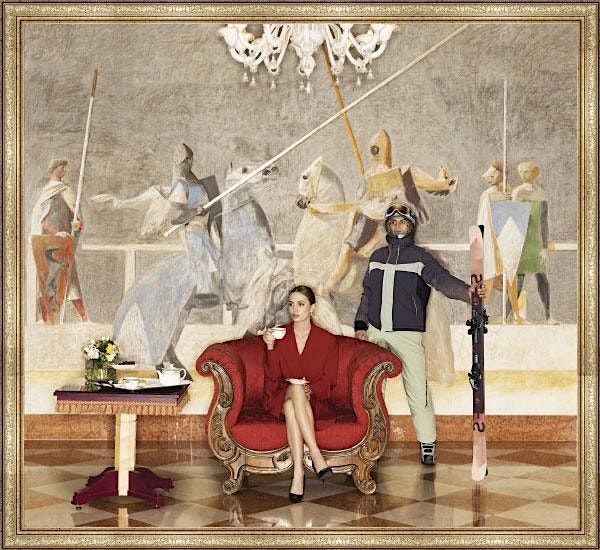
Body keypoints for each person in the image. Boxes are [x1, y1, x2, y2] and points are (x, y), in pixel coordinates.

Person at [354, 202, 486, 465]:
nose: (397, 227)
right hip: (376, 332)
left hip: (407, 335)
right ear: (387, 226)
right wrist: (360, 325)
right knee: (367, 389)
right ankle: (367, 442)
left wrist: (468, 293)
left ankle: (427, 443)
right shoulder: (377, 257)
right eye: (393, 223)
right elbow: (367, 294)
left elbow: (442, 280)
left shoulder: (420, 258)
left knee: (417, 390)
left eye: (402, 223)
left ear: (411, 226)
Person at [262, 285, 337, 502]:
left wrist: (310, 389)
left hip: (314, 400)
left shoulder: (327, 340)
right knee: (293, 391)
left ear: (312, 308)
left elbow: (330, 379)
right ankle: (316, 455)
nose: (294, 309)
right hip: (282, 393)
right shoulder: (280, 335)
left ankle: (298, 474)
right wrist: (270, 347)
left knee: (291, 406)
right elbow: (273, 376)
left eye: (301, 304)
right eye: (291, 304)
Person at [30, 159, 88, 322]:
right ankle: (47, 320)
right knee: (45, 281)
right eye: (62, 168)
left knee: (70, 279)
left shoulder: (66, 190)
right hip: (47, 243)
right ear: (54, 169)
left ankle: (84, 318)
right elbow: (41, 221)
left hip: (63, 243)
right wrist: (56, 233)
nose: (64, 171)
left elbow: (77, 219)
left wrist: (78, 224)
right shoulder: (46, 193)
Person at [509, 161, 557, 324]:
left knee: (542, 277)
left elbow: (543, 222)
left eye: (527, 171)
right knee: (518, 278)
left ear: (535, 173)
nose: (523, 174)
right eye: (521, 171)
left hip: (535, 242)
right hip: (520, 241)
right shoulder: (517, 192)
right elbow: (511, 220)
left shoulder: (541, 194)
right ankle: (509, 315)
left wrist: (544, 247)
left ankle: (548, 316)